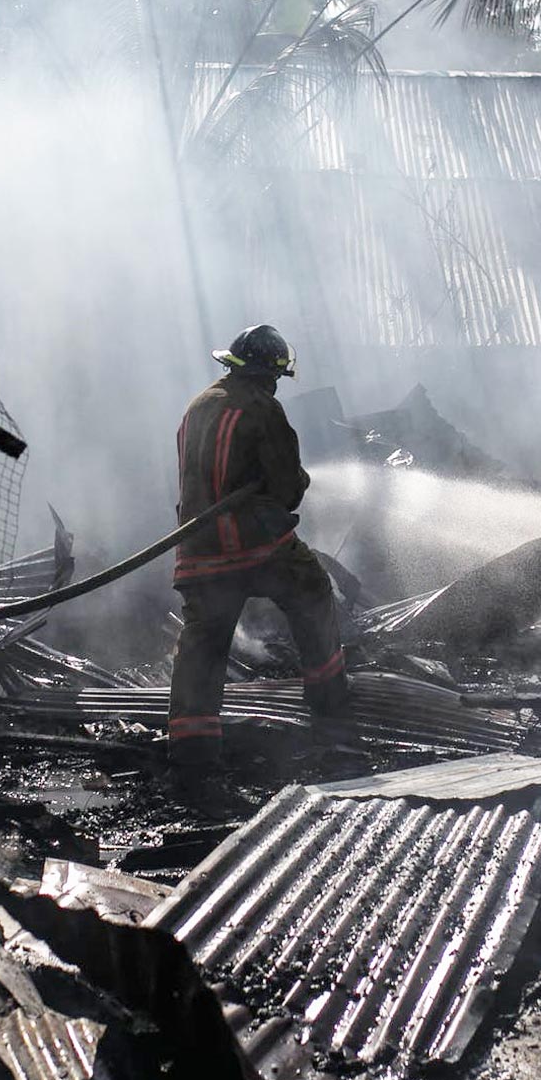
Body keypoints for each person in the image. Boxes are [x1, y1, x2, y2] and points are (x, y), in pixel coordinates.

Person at [168, 323, 349, 811]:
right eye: (275, 377)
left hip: (198, 548)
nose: (275, 386)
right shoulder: (262, 409)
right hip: (254, 547)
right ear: (267, 374)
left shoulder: (197, 405)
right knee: (313, 592)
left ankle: (192, 754)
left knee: (203, 643)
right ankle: (330, 709)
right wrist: (298, 481)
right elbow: (286, 488)